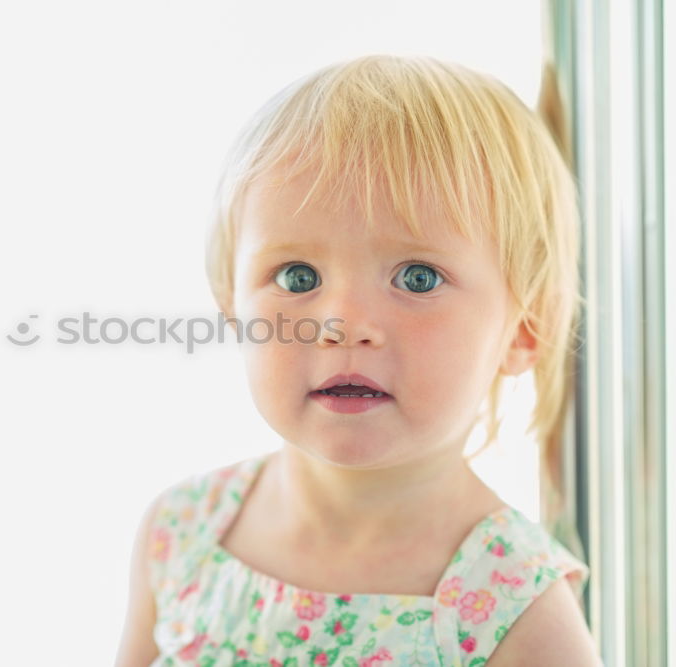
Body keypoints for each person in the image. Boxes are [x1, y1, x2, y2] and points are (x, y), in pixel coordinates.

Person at [115, 54, 601, 666]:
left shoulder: (514, 610)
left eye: (418, 277)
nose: (342, 325)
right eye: (297, 276)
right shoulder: (180, 532)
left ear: (524, 330)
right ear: (231, 305)